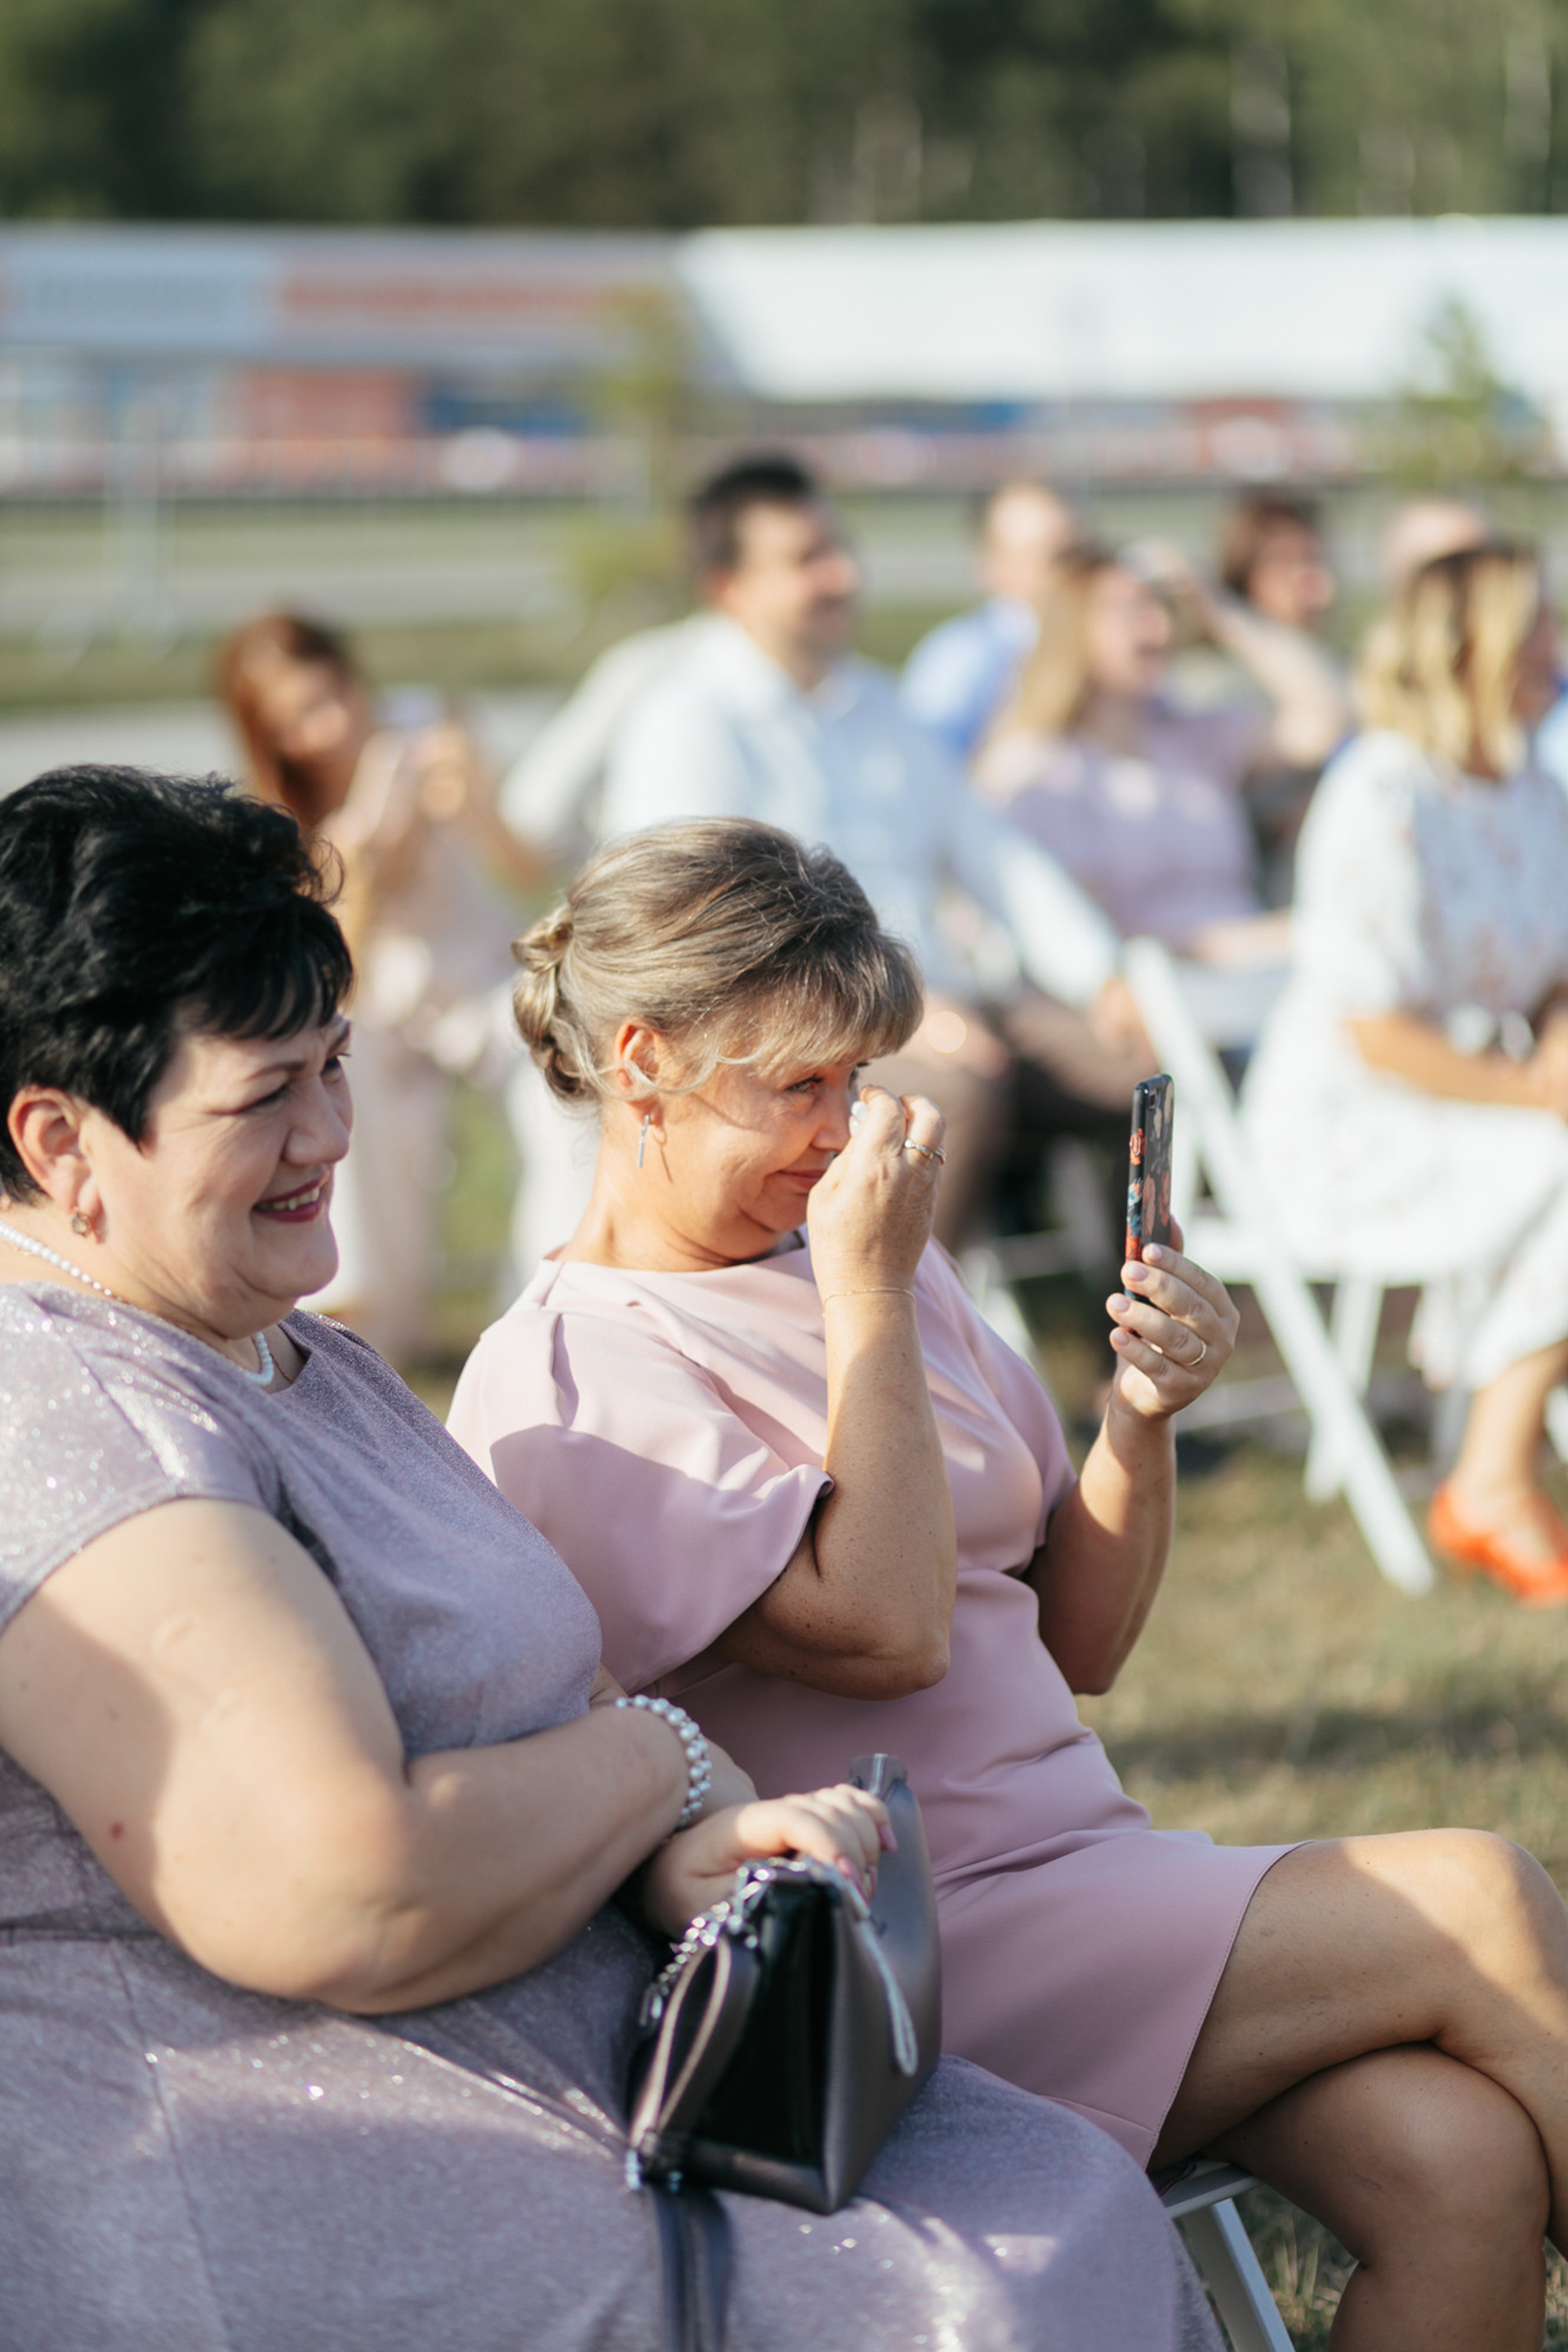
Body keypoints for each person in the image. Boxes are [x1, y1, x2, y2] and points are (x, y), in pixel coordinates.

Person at [0, 765, 1223, 2352]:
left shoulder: (307, 1358)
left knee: (1099, 2195)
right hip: (336, 2166)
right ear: (59, 1139)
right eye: (265, 1100)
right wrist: (659, 1766)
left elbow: (544, 1706)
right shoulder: (73, 1418)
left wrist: (687, 1836)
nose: (332, 1136)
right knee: (995, 2284)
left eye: (335, 1068)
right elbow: (340, 1890)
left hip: (612, 2054)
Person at [452, 813, 1568, 2352]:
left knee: (1463, 2163)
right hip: (910, 1944)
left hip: (1089, 1866)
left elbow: (1082, 1640)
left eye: (859, 1080)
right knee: (1478, 1897)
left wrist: (1141, 1418)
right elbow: (893, 1630)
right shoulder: (575, 1371)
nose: (844, 1130)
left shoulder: (871, 1263)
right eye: (798, 1086)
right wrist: (867, 1294)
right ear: (640, 1062)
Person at [599, 454, 1129, 1247]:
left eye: (839, 548)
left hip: (952, 1004)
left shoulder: (882, 707)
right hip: (809, 1036)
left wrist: (1104, 977)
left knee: (1148, 1076)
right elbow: (695, 937)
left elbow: (999, 860)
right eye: (807, 559)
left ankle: (1125, 1357)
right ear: (727, 588)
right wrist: (889, 1016)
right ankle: (889, 1346)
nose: (843, 573)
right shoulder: (687, 723)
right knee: (939, 1104)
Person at [1245, 541, 1568, 1602]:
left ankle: (1494, 1463)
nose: (1554, 652)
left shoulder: (1531, 790)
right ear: (1466, 649)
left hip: (1483, 1095)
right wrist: (1536, 1089)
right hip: (1352, 1117)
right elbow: (1371, 1029)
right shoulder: (1382, 790)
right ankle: (1491, 1474)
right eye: (1537, 632)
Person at [218, 612, 537, 1361]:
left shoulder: (427, 731)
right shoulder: (280, 820)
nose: (329, 729)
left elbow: (523, 866)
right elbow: (340, 975)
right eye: (298, 720)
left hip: (482, 971)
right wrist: (359, 875)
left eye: (333, 697)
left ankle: (537, 1298)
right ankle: (365, 1317)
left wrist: (474, 800)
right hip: (382, 997)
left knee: (554, 1073)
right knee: (336, 1083)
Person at [974, 541, 1349, 1092]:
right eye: (1129, 613)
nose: (1156, 630)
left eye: (1159, 610)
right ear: (1072, 628)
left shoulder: (1195, 740)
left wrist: (1218, 609)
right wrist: (1250, 941)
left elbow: (1326, 714)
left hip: (1264, 983)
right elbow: (1073, 935)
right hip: (1167, 1005)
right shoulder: (1035, 774)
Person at [900, 480, 1081, 760]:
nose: (1072, 573)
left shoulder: (1098, 643)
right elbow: (929, 767)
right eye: (1054, 558)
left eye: (1079, 555)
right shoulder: (961, 660)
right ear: (991, 566)